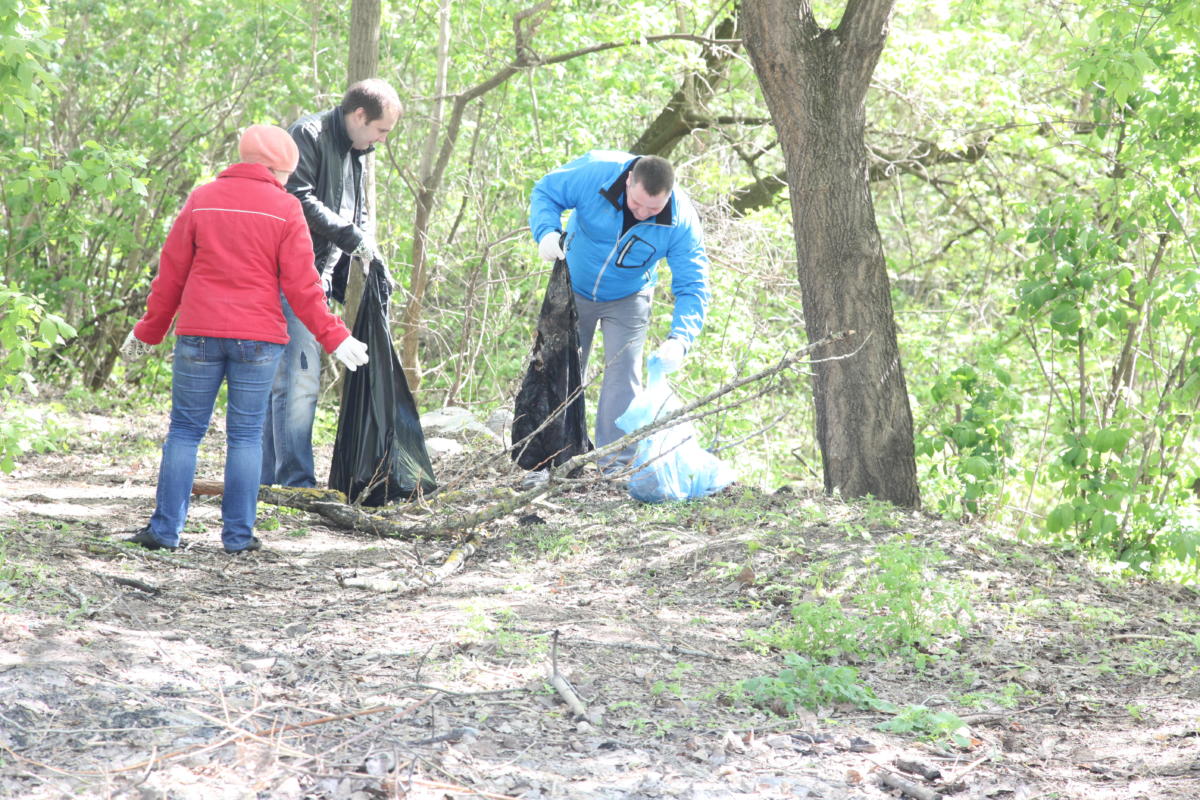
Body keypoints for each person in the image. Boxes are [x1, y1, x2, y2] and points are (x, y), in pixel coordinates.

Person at [120, 125, 370, 554]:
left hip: (199, 333)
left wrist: (149, 330)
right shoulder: (286, 209)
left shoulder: (202, 199)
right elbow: (303, 287)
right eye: (287, 173)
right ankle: (237, 537)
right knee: (246, 435)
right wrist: (334, 335)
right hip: (258, 340)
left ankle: (164, 532)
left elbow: (171, 275)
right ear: (272, 168)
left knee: (184, 432)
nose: (289, 181)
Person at [528, 150, 711, 472]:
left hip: (630, 296)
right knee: (561, 370)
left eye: (653, 209)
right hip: (572, 287)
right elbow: (546, 191)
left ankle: (615, 467)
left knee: (623, 377)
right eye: (636, 203)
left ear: (668, 196)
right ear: (628, 180)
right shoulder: (596, 171)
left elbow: (692, 285)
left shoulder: (682, 221)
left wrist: (681, 338)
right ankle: (551, 462)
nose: (642, 214)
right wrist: (546, 232)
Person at [261, 78, 402, 488]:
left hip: (315, 281)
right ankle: (295, 484)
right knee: (297, 382)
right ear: (359, 116)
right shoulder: (309, 134)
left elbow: (352, 217)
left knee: (288, 383)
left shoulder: (357, 151)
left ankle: (270, 482)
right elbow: (298, 199)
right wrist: (353, 237)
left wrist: (364, 260)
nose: (382, 139)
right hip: (287, 277)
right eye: (381, 130)